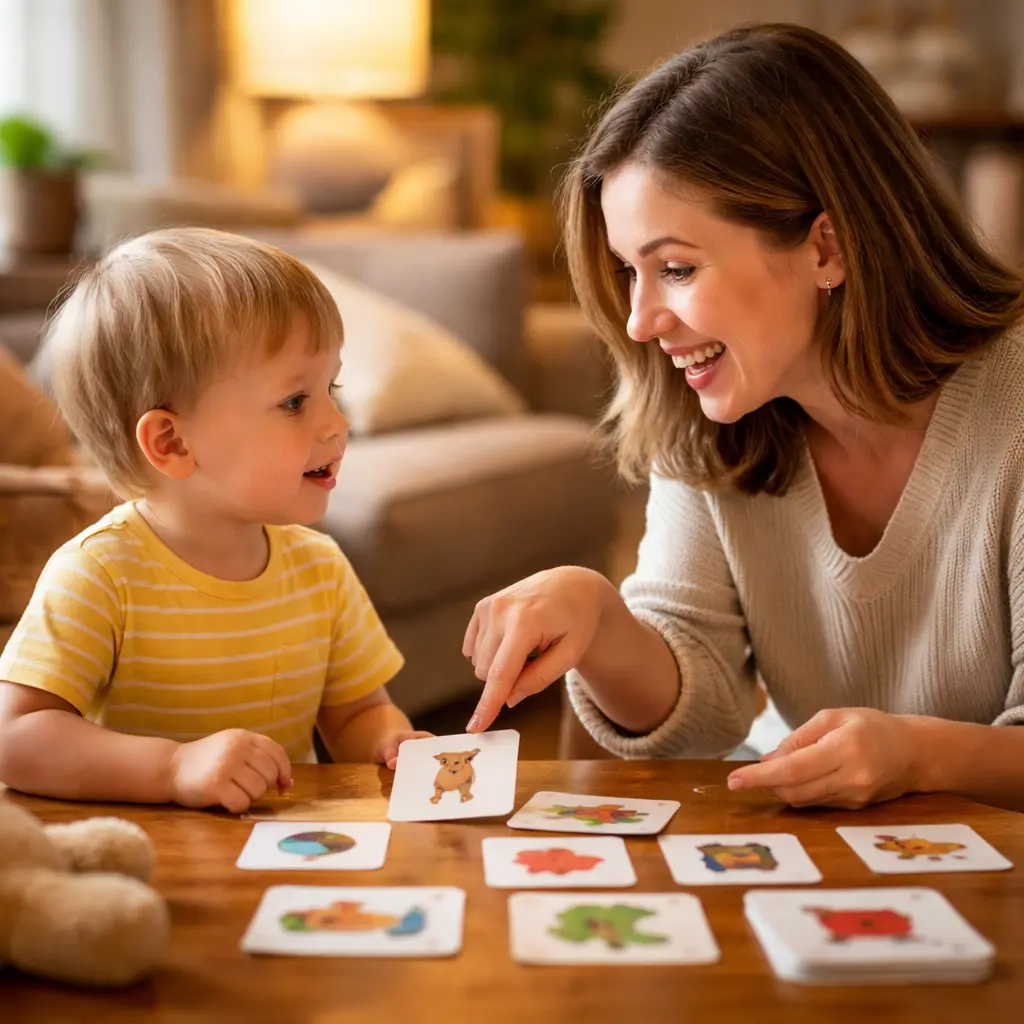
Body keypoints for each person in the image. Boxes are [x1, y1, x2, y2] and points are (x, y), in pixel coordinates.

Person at [462, 22, 1024, 811]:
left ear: (827, 248)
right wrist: (598, 615)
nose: (640, 321)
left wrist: (919, 754)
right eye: (630, 273)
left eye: (677, 268)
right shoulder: (713, 419)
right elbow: (698, 712)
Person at [0, 228, 427, 813]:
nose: (336, 423)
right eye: (296, 401)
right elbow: (15, 737)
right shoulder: (100, 574)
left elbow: (356, 713)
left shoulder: (320, 568)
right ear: (172, 441)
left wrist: (388, 740)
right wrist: (174, 768)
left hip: (289, 856)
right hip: (159, 866)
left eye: (331, 387)